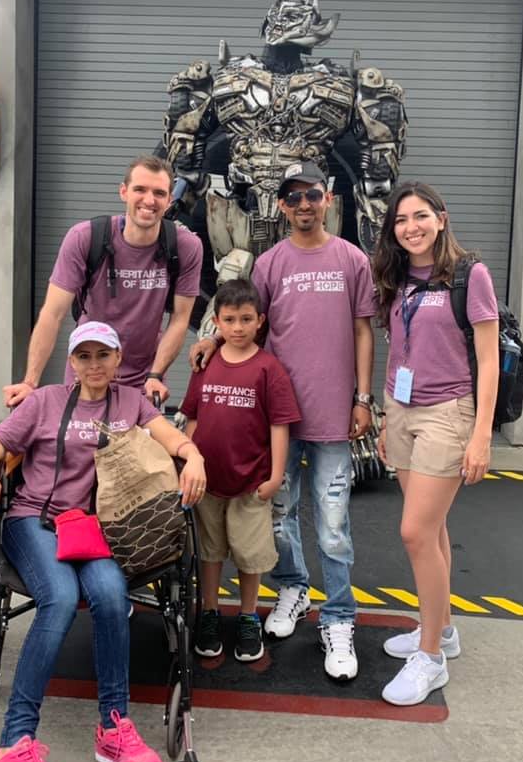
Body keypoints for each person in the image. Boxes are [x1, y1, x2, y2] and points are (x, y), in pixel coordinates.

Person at [0, 321, 207, 762]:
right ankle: (13, 748)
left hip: (93, 529)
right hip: (32, 520)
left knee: (113, 596)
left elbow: (171, 439)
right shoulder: (45, 401)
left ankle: (113, 728)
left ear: (119, 359)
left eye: (104, 355)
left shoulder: (131, 402)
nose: (94, 364)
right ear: (72, 362)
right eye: (84, 356)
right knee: (58, 597)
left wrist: (193, 456)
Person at [191, 161, 376, 681]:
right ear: (281, 205)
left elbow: (364, 331)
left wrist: (362, 398)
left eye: (311, 195)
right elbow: (245, 318)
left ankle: (339, 618)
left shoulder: (352, 260)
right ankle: (292, 588)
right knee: (279, 514)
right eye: (292, 197)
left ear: (329, 198)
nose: (303, 205)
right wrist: (209, 337)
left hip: (334, 416)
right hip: (273, 418)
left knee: (334, 525)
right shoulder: (270, 263)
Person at [373, 182, 499, 706]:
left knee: (414, 532)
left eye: (420, 216)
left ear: (441, 219)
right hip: (402, 409)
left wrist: (481, 436)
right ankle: (441, 628)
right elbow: (398, 345)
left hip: (449, 413)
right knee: (434, 528)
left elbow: (489, 360)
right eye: (401, 220)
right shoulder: (398, 276)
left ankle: (431, 658)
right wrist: (385, 416)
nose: (411, 227)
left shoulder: (471, 275)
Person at [3, 156, 203, 408]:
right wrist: (30, 382)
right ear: (123, 192)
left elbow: (180, 320)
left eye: (159, 193)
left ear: (169, 200)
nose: (149, 200)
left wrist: (155, 375)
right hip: (87, 372)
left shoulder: (185, 247)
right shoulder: (85, 238)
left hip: (143, 379)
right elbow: (52, 314)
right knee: (80, 444)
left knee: (139, 447)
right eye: (140, 189)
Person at [181, 279, 301, 663]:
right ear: (216, 321)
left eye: (246, 319)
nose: (237, 328)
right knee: (210, 553)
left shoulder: (269, 369)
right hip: (207, 484)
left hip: (251, 483)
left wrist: (276, 474)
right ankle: (211, 612)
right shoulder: (206, 364)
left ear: (260, 321)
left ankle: (249, 616)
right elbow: (193, 419)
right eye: (229, 320)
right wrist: (185, 466)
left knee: (251, 557)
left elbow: (279, 425)